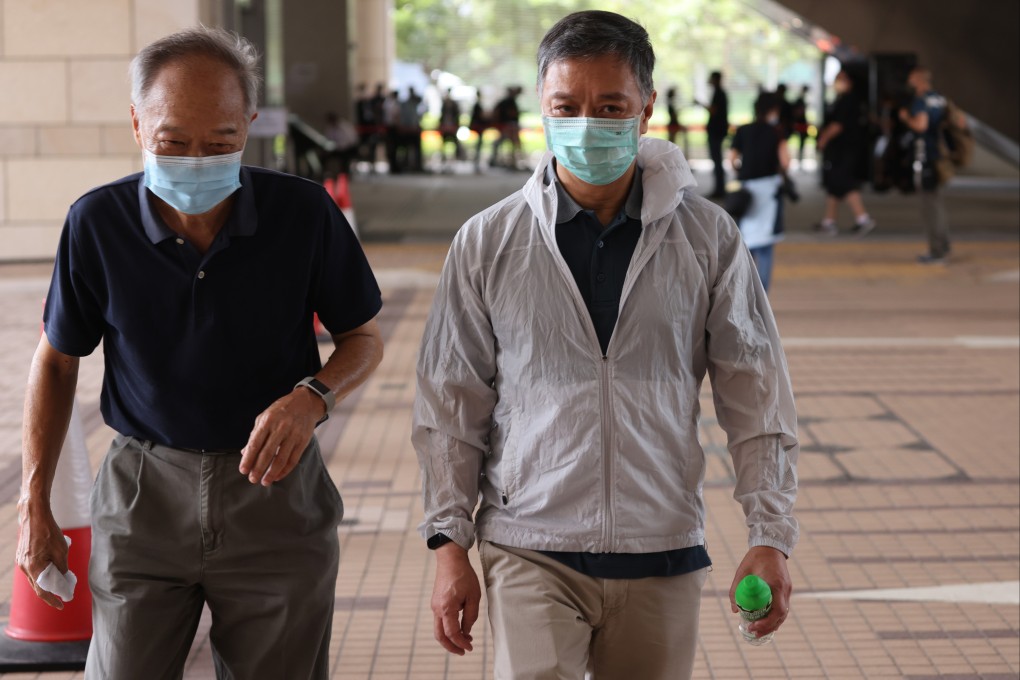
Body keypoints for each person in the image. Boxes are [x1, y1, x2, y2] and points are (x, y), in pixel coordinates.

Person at [413, 10, 798, 680]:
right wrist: (450, 543)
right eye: (567, 106)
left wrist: (770, 534)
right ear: (542, 108)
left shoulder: (707, 239)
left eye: (611, 105)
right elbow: (451, 400)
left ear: (646, 109)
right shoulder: (487, 242)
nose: (587, 123)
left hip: (663, 546)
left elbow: (755, 393)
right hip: (529, 544)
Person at [18, 26, 384, 679]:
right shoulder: (97, 224)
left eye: (220, 143)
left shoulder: (301, 213)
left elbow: (363, 338)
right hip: (142, 497)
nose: (196, 161)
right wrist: (34, 503)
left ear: (249, 123)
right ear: (137, 124)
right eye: (173, 142)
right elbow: (55, 360)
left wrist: (313, 398)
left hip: (276, 494)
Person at [730, 94, 791, 292]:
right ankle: (762, 293)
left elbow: (732, 158)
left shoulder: (743, 130)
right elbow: (785, 161)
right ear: (773, 110)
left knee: (746, 241)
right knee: (765, 244)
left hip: (746, 190)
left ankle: (743, 289)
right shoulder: (776, 132)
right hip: (769, 189)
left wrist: (741, 172)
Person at [899, 67, 954, 264]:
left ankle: (937, 250)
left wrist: (906, 118)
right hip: (939, 155)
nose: (909, 81)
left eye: (911, 78)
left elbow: (921, 125)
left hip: (925, 156)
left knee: (930, 205)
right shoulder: (939, 98)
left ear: (918, 80)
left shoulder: (921, 100)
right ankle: (943, 245)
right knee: (936, 202)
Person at [815, 70, 876, 237]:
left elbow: (838, 125)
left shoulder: (848, 101)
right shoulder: (845, 100)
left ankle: (863, 219)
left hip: (844, 150)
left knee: (845, 183)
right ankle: (829, 222)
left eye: (840, 79)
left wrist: (824, 139)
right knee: (834, 185)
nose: (836, 82)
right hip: (841, 151)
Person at [700, 70, 729, 198]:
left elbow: (713, 111)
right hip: (718, 131)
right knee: (717, 160)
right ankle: (719, 188)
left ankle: (720, 189)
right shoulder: (720, 93)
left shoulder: (719, 94)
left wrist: (700, 104)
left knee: (717, 160)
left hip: (716, 132)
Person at [438, 87, 464, 166]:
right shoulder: (445, 103)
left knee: (455, 142)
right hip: (445, 125)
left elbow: (457, 115)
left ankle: (457, 156)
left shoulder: (453, 104)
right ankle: (443, 157)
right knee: (444, 143)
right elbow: (442, 115)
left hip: (452, 126)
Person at [792, 84, 811, 164]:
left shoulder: (801, 100)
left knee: (802, 140)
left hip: (801, 123)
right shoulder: (800, 100)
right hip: (799, 124)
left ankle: (800, 158)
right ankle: (799, 158)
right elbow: (798, 112)